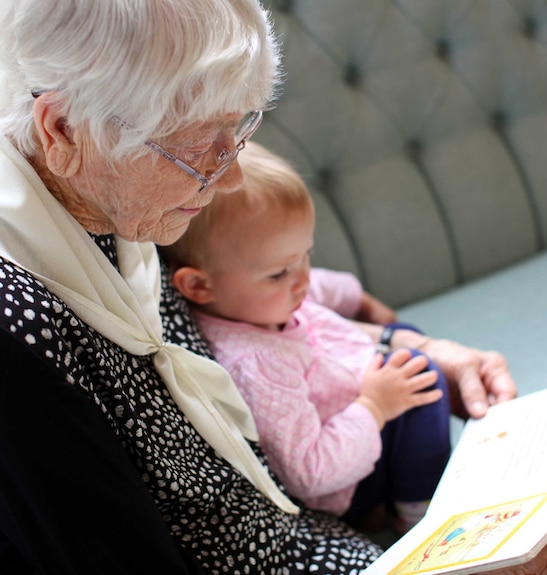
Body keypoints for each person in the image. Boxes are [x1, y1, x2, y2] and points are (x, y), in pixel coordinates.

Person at [0, 0, 547, 573]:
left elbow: (237, 321)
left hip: (280, 529)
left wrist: (421, 349)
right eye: (201, 149)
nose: (229, 174)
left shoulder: (87, 188)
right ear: (62, 128)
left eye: (238, 131)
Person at [159, 141, 453, 534]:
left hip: (350, 402)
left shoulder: (252, 296)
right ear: (198, 285)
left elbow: (323, 288)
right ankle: (416, 513)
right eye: (280, 272)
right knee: (424, 374)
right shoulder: (256, 364)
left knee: (405, 337)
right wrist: (375, 405)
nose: (302, 280)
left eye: (307, 255)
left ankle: (387, 498)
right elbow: (310, 473)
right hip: (345, 480)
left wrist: (364, 303)